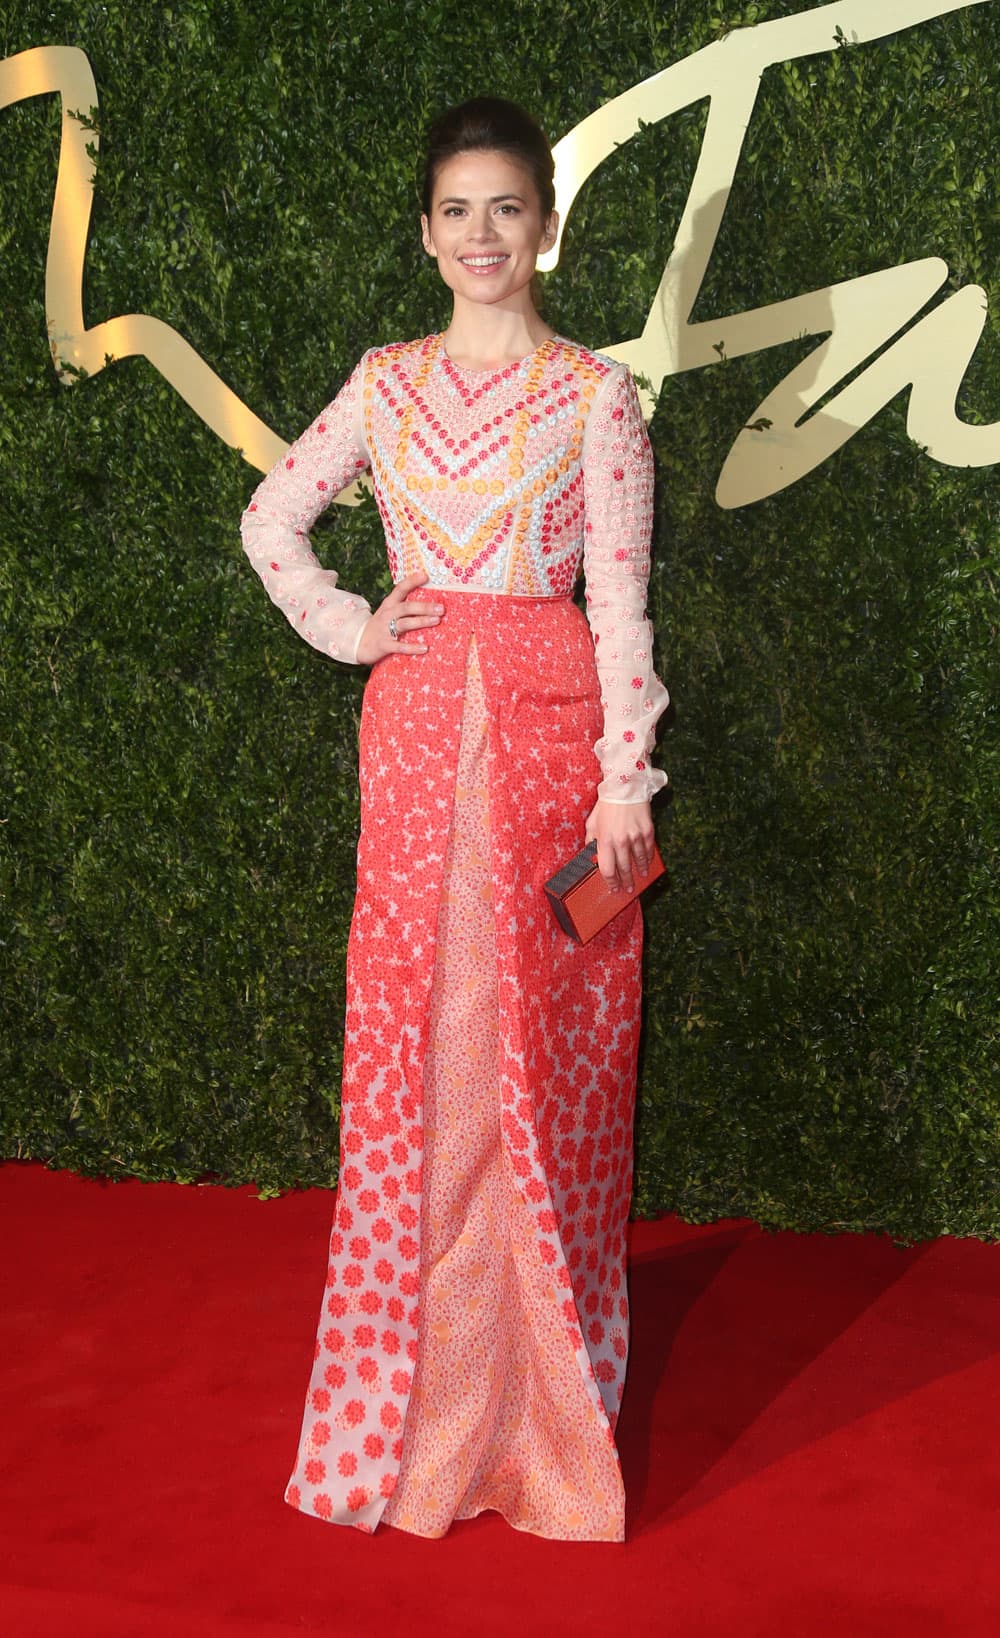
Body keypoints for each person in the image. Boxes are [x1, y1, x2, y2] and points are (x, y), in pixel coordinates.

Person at [240, 95, 669, 1543]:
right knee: (418, 1044)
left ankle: (547, 1400)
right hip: (419, 742)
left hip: (555, 758)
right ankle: (410, 1410)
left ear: (547, 225)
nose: (482, 235)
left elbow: (620, 602)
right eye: (457, 210)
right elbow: (269, 520)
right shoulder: (382, 384)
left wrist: (627, 779)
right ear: (426, 231)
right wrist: (353, 623)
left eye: (507, 208)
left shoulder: (599, 400)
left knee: (544, 1066)